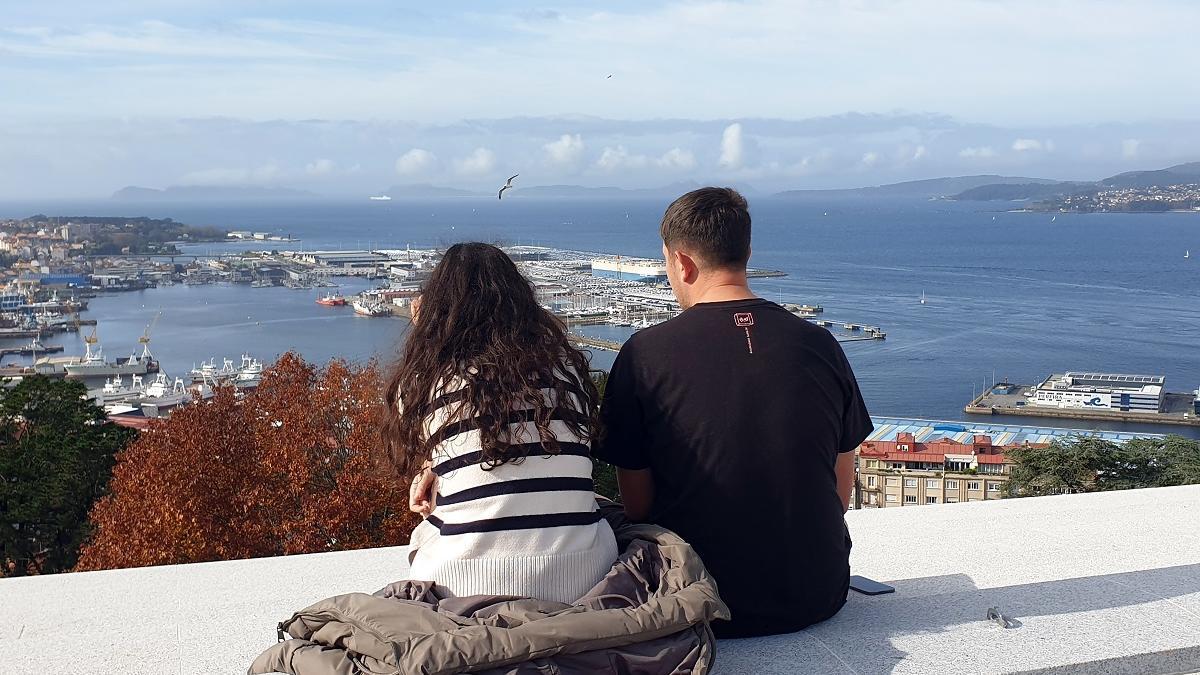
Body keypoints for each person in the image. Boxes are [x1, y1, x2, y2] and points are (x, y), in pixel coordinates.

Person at [594, 187, 873, 638]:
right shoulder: (819, 344)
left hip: (695, 598)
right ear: (746, 252)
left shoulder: (645, 354)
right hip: (816, 592)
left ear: (681, 262)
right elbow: (839, 495)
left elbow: (639, 506)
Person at [382, 242, 618, 604]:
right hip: (585, 575)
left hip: (461, 585)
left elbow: (435, 442)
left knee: (429, 527)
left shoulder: (426, 381)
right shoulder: (565, 372)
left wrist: (422, 332)